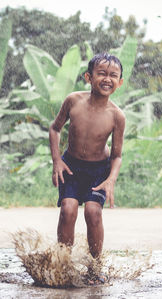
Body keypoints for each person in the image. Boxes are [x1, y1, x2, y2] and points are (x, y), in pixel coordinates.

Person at [49, 53, 125, 261]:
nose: (107, 79)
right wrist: (57, 160)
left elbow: (117, 155)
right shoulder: (73, 100)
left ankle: (95, 265)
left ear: (120, 82)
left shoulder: (116, 115)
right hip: (71, 166)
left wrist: (111, 179)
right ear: (89, 77)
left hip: (99, 170)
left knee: (93, 213)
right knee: (68, 209)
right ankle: (63, 264)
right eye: (101, 74)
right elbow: (55, 129)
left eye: (113, 75)